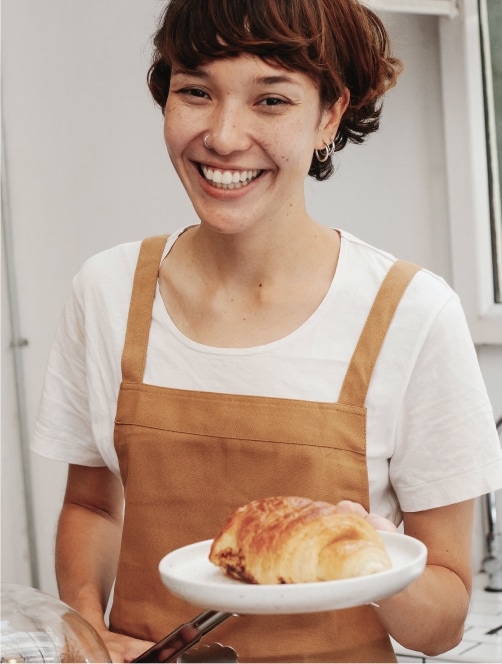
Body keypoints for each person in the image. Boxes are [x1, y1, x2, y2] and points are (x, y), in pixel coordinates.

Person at [32, 0, 502, 662]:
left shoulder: (413, 314)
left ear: (330, 115)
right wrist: (86, 634)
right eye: (196, 91)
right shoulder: (106, 292)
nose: (224, 136)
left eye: (271, 100)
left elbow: (444, 621)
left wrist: (371, 562)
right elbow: (93, 508)